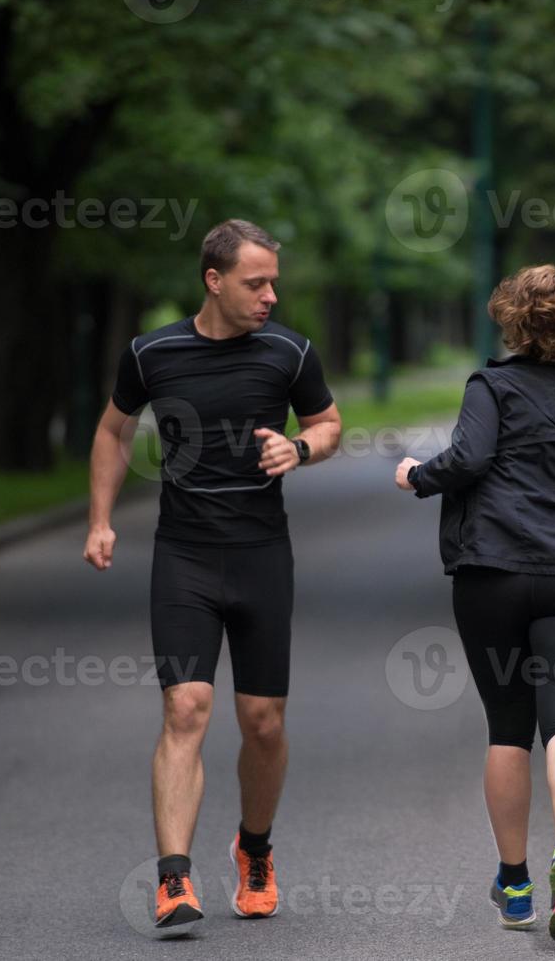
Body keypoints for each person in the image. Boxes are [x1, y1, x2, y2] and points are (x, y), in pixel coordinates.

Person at [83, 220, 342, 937]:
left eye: (274, 282)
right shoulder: (152, 352)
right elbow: (112, 430)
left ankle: (254, 851)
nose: (270, 295)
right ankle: (173, 880)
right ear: (214, 280)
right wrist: (100, 519)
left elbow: (328, 423)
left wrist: (299, 447)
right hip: (185, 557)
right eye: (256, 283)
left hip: (261, 556)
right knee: (186, 709)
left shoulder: (289, 352)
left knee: (263, 723)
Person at [394, 265, 555, 945]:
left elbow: (469, 457)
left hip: (494, 574)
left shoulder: (490, 386)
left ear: (514, 320)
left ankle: (516, 883)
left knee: (508, 728)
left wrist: (418, 475)